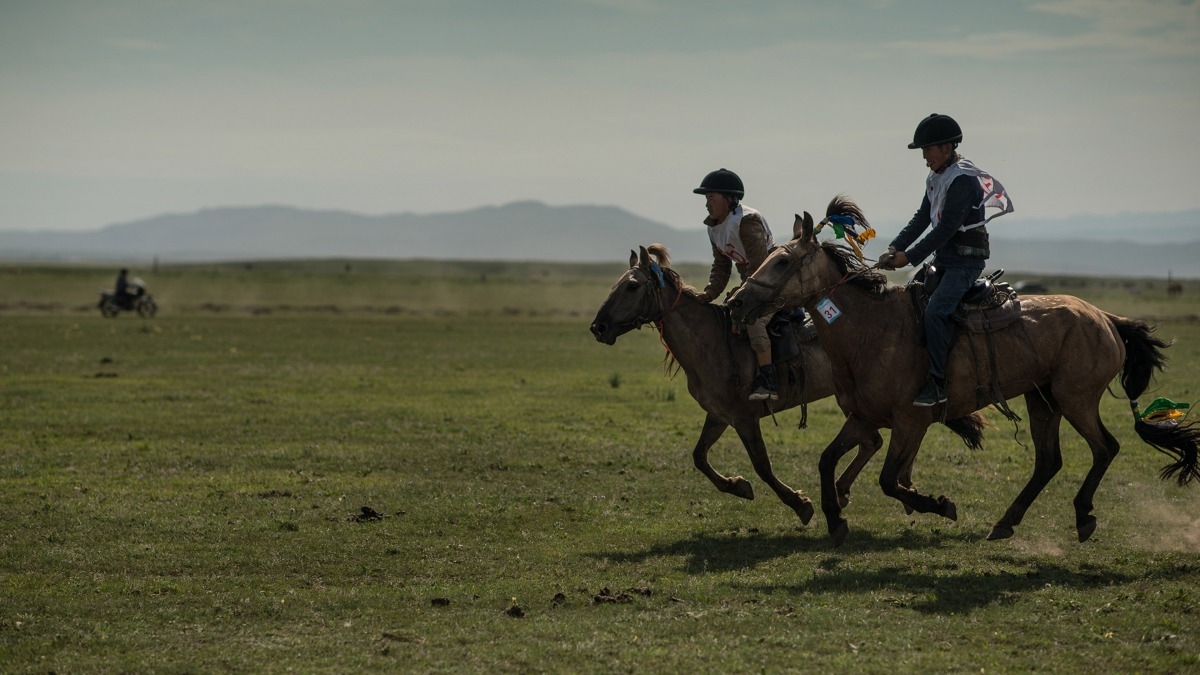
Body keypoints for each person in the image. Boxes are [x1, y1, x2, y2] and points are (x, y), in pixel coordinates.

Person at [878, 114, 1014, 407]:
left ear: (947, 147)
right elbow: (921, 218)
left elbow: (945, 229)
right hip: (945, 260)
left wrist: (908, 257)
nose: (924, 157)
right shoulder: (936, 177)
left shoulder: (963, 180)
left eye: (928, 150)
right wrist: (895, 245)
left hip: (966, 263)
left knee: (935, 313)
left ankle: (938, 383)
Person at [692, 168, 779, 401]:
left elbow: (760, 265)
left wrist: (738, 293)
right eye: (706, 199)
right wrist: (708, 294)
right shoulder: (714, 228)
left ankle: (768, 381)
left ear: (729, 199)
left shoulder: (746, 221)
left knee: (754, 322)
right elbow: (721, 268)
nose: (707, 204)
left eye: (711, 198)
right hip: (752, 285)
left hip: (775, 283)